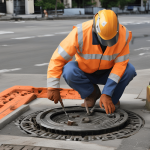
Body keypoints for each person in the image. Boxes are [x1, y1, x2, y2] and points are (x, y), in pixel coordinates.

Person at [47, 9, 137, 114]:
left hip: (108, 73)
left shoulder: (123, 34)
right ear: (95, 29)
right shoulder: (80, 33)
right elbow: (58, 58)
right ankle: (91, 94)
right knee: (69, 70)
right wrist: (53, 87)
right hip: (85, 71)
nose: (107, 44)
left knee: (129, 70)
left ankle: (111, 99)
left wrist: (107, 94)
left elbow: (120, 65)